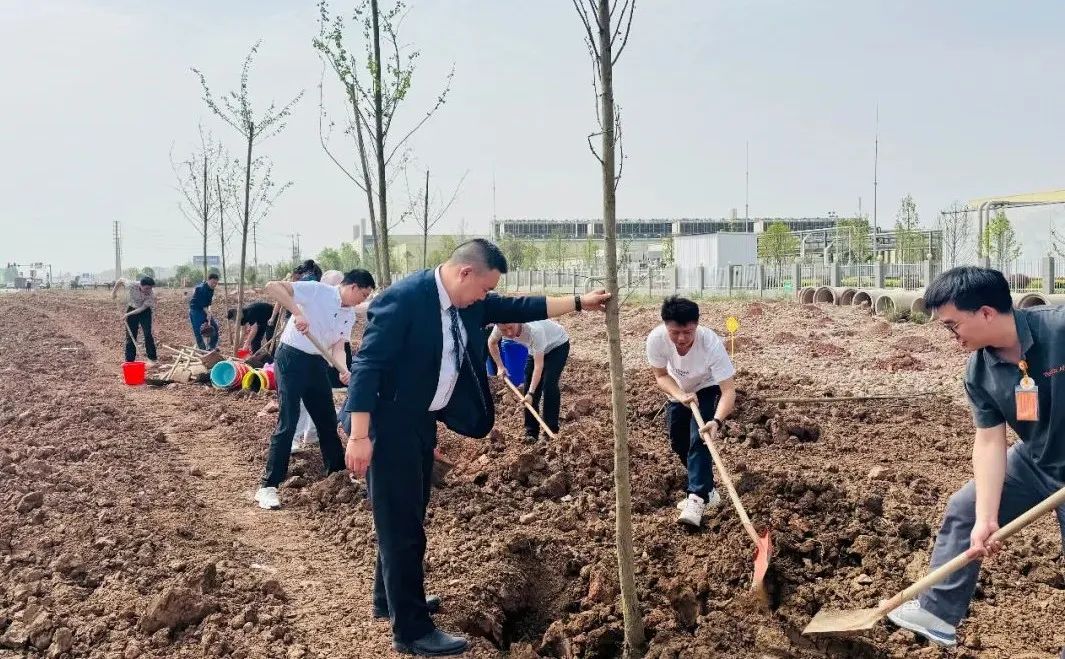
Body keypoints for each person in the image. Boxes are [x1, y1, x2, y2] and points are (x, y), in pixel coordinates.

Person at [341, 238, 609, 656]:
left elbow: (521, 306)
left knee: (406, 516)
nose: (486, 297)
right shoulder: (404, 300)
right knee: (402, 528)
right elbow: (367, 366)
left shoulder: (468, 302)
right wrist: (360, 436)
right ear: (465, 273)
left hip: (419, 421)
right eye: (485, 288)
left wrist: (579, 302)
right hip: (385, 424)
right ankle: (411, 630)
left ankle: (388, 599)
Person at [886, 267, 1065, 648]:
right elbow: (989, 443)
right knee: (966, 508)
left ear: (985, 313)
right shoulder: (979, 372)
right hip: (1038, 460)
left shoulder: (1059, 328)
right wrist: (987, 517)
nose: (952, 336)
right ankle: (938, 613)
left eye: (953, 325)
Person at [253, 268, 376, 511]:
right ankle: (268, 486)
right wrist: (297, 313)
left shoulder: (348, 315)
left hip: (317, 363)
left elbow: (338, 346)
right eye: (363, 295)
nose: (362, 301)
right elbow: (272, 286)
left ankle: (338, 476)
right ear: (353, 287)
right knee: (288, 421)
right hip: (291, 358)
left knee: (327, 420)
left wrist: (343, 369)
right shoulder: (318, 291)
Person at [645, 296, 736, 528]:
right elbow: (661, 376)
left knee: (699, 438)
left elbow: (728, 391)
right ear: (666, 326)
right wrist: (680, 395)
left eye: (688, 332)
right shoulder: (656, 340)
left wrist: (716, 420)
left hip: (706, 386)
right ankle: (709, 490)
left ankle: (696, 498)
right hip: (678, 390)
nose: (682, 338)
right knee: (678, 441)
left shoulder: (710, 343)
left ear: (696, 325)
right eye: (675, 332)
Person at [488, 320, 571, 441]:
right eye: (504, 330)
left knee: (549, 384)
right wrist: (500, 366)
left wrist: (531, 393)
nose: (509, 333)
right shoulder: (500, 326)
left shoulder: (534, 330)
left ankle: (551, 430)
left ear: (517, 321)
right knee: (527, 389)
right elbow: (492, 343)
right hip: (535, 349)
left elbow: (538, 366)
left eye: (510, 327)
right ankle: (531, 432)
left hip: (557, 346)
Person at [111, 275, 159, 364]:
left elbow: (141, 309)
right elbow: (120, 280)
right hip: (132, 307)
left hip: (144, 312)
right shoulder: (131, 285)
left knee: (147, 333)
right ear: (140, 285)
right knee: (131, 335)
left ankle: (152, 358)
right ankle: (129, 360)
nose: (149, 290)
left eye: (150, 288)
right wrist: (113, 292)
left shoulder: (151, 294)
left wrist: (127, 314)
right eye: (147, 288)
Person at [189, 272, 220, 351]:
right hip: (195, 310)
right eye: (213, 282)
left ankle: (211, 347)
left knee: (215, 327)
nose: (214, 285)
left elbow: (208, 303)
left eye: (216, 283)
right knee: (198, 330)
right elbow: (202, 304)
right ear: (208, 280)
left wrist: (209, 312)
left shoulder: (211, 289)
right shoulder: (200, 288)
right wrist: (208, 314)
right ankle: (202, 350)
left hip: (204, 309)